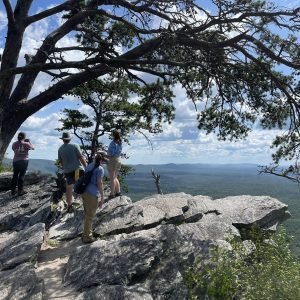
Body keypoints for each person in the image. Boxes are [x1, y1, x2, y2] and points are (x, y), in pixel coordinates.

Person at [58, 132, 87, 212]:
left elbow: (61, 162)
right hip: (77, 170)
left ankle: (69, 206)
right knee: (81, 187)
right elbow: (81, 157)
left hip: (68, 171)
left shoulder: (60, 149)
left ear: (63, 139)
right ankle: (86, 204)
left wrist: (64, 169)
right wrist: (86, 167)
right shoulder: (75, 146)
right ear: (69, 139)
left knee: (69, 189)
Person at [81, 152, 105, 243]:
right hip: (92, 194)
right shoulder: (100, 169)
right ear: (102, 160)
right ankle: (87, 237)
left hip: (84, 191)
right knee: (90, 216)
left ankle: (85, 234)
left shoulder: (89, 165)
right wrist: (102, 197)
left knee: (87, 214)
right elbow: (99, 183)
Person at [11, 132, 35, 196]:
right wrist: (29, 142)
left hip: (15, 161)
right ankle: (20, 191)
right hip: (24, 161)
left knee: (15, 175)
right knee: (21, 175)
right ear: (24, 137)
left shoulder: (14, 144)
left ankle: (13, 191)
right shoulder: (26, 143)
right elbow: (33, 148)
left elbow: (13, 149)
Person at [107, 130, 122, 199]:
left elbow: (111, 153)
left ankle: (112, 193)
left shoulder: (113, 143)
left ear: (113, 135)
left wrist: (105, 155)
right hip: (119, 159)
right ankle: (118, 192)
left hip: (113, 160)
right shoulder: (120, 142)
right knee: (115, 177)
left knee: (112, 178)